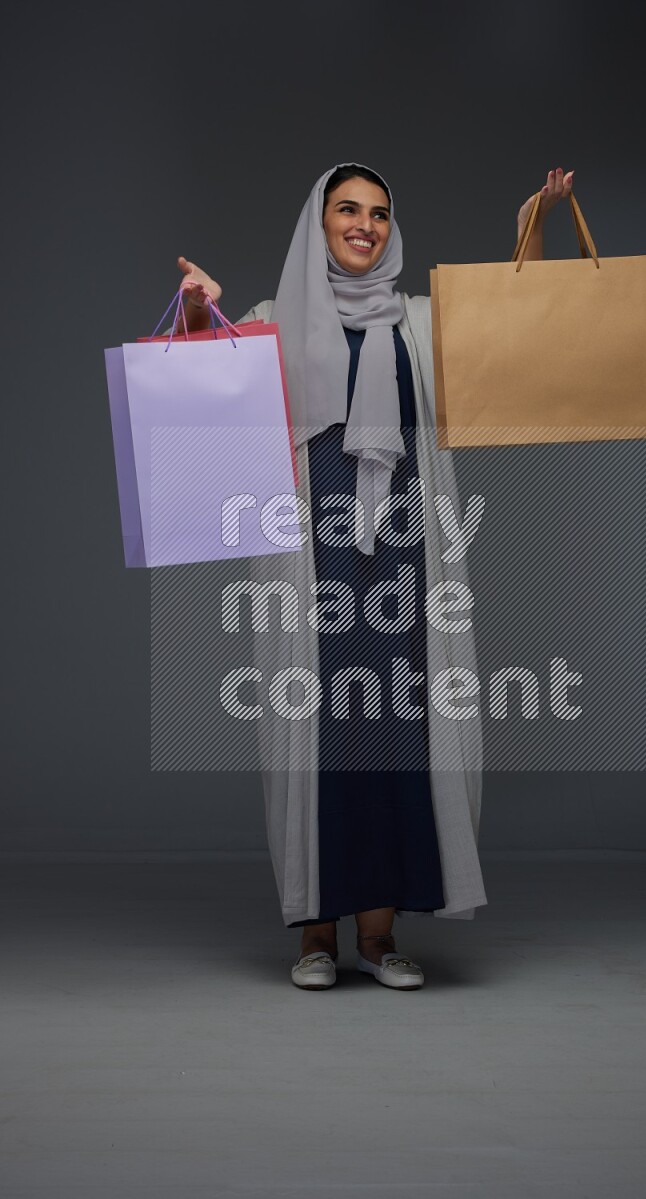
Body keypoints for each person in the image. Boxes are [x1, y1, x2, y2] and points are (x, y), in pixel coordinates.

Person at [173, 162, 575, 991]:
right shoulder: (271, 320)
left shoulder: (418, 322)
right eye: (347, 210)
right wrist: (191, 310)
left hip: (402, 553)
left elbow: (511, 318)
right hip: (309, 556)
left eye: (380, 214)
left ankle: (381, 933)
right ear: (316, 224)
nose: (365, 224)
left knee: (398, 731)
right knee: (317, 736)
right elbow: (200, 388)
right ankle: (317, 935)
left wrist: (535, 222)